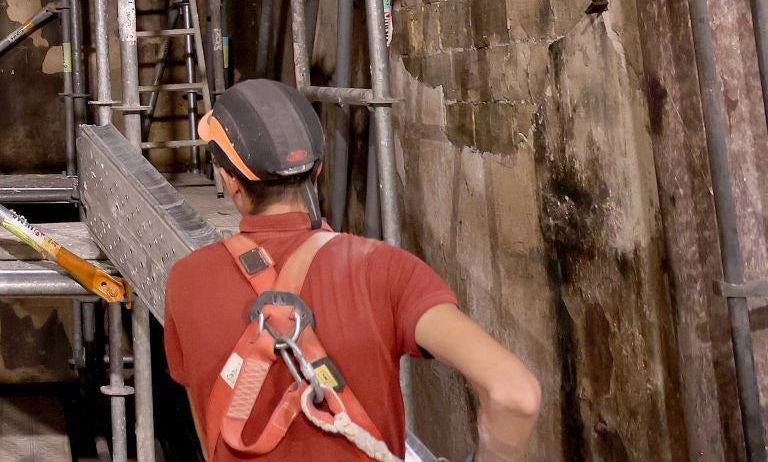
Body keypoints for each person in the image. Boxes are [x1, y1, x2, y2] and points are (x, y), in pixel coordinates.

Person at [164, 79, 541, 462]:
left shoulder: (186, 281)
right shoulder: (384, 269)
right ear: (319, 167)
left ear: (230, 179)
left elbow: (210, 428)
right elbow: (516, 395)